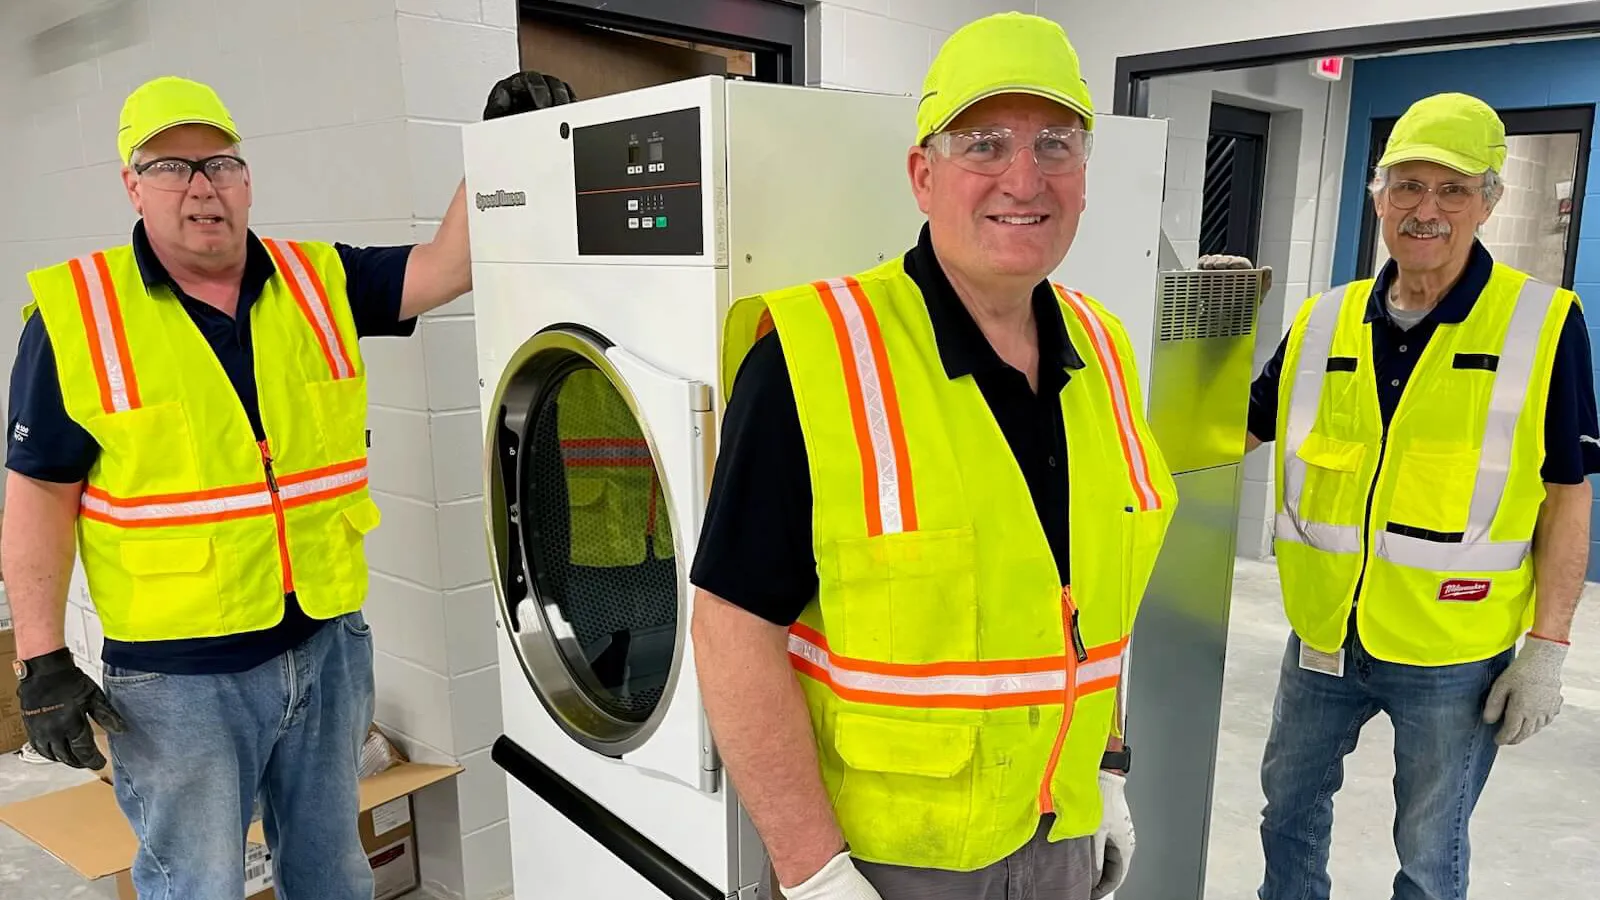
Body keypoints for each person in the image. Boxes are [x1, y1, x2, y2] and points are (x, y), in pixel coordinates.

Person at [3, 71, 572, 899]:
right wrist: (39, 660)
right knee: (197, 883)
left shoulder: (318, 280)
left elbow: (448, 266)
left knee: (332, 870)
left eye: (220, 163)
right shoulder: (75, 316)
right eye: (170, 167)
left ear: (245, 177)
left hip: (327, 647)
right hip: (178, 683)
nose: (201, 188)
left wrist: (500, 149)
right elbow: (39, 497)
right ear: (132, 184)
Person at [689, 13, 1178, 900]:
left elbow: (1090, 604)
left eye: (1056, 145)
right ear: (924, 174)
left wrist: (1107, 770)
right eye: (984, 144)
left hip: (1059, 832)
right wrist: (813, 874)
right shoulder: (818, 355)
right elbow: (731, 633)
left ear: (1084, 175)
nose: (1024, 178)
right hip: (883, 866)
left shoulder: (1104, 352)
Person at [1244, 91, 1596, 900]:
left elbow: (1567, 495)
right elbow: (1239, 431)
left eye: (1451, 189)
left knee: (1430, 851)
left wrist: (1549, 645)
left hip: (1451, 649)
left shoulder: (1543, 323)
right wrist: (1202, 329)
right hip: (1323, 634)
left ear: (1489, 201)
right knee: (1287, 814)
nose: (1425, 209)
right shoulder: (1323, 319)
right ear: (1378, 198)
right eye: (1406, 186)